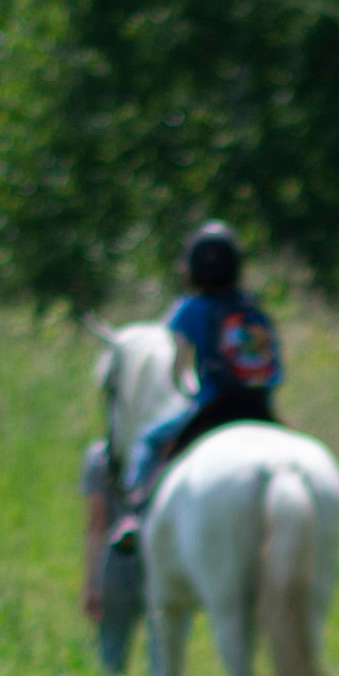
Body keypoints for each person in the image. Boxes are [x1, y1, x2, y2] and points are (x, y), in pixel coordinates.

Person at [110, 222, 283, 537]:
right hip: (260, 407)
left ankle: (134, 514)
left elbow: (179, 370)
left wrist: (188, 388)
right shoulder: (252, 307)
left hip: (214, 407)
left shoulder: (189, 309)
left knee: (149, 440)